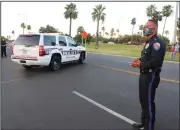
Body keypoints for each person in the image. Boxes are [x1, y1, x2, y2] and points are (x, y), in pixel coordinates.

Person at [130, 19, 166, 130]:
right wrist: (139, 60)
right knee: (143, 101)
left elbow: (156, 61)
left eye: (147, 26)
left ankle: (149, 127)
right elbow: (147, 57)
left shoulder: (157, 43)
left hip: (151, 76)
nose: (144, 28)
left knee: (148, 102)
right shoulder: (148, 42)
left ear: (154, 29)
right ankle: (143, 122)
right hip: (144, 75)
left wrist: (141, 63)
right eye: (144, 26)